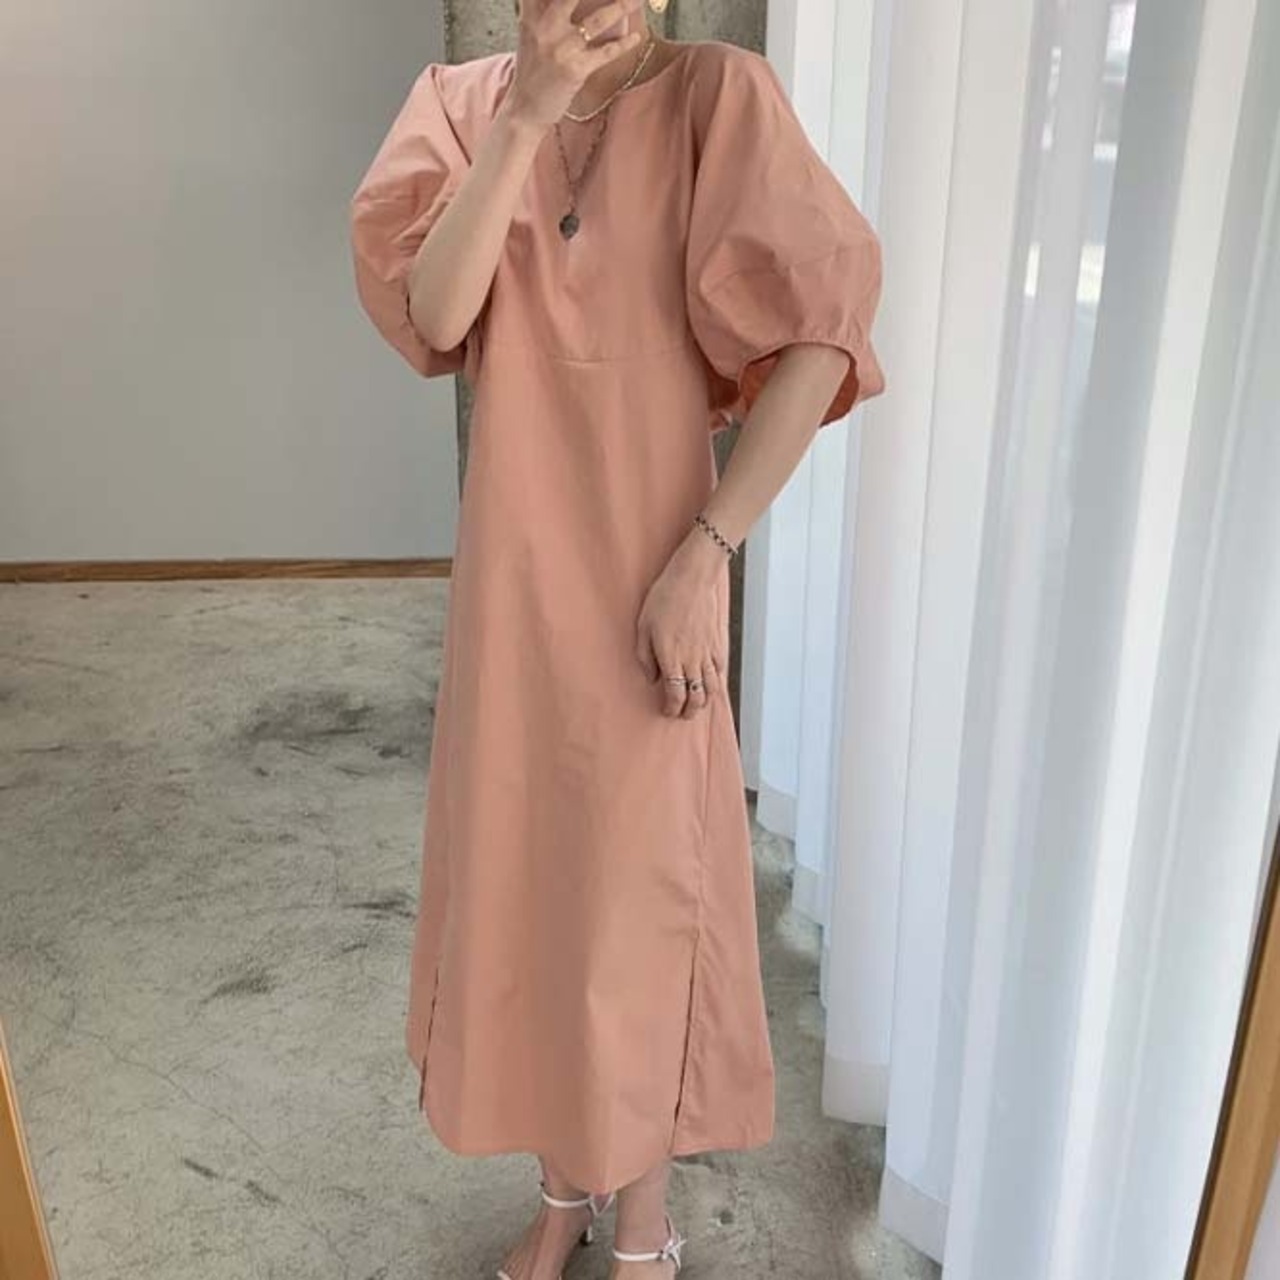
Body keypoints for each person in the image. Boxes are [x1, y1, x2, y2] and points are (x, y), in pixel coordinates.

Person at [349, 0, 885, 1274]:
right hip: (513, 590)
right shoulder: (455, 107)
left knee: (637, 898)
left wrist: (708, 551)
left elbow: (821, 337)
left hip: (652, 580)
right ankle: (562, 1184)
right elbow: (435, 316)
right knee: (531, 885)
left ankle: (641, 1218)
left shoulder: (714, 98)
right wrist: (525, 113)